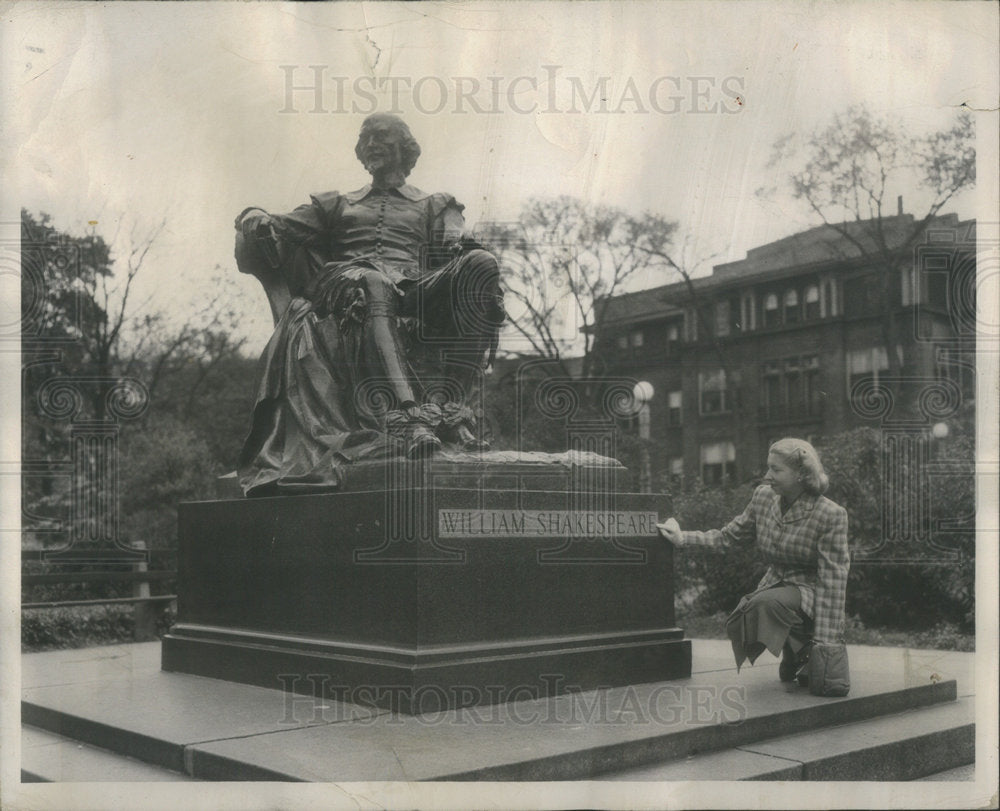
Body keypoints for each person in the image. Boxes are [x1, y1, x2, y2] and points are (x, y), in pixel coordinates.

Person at [233, 114, 505, 495]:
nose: (372, 144)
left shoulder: (435, 204)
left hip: (410, 286)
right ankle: (408, 417)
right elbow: (278, 224)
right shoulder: (336, 204)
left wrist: (465, 251)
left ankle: (449, 408)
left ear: (404, 148)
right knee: (374, 281)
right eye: (366, 139)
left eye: (382, 137)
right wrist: (253, 214)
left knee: (482, 266)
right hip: (344, 283)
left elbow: (455, 242)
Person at [658, 438, 850, 687]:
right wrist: (682, 538)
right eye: (768, 467)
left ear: (801, 474)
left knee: (765, 604)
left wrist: (826, 644)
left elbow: (833, 581)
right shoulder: (763, 497)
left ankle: (805, 652)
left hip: (813, 591)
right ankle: (796, 654)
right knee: (746, 612)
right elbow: (729, 537)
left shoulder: (830, 514)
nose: (767, 475)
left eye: (776, 469)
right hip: (775, 585)